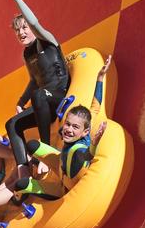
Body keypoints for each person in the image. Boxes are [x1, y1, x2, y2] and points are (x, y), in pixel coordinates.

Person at [14, 56, 111, 199]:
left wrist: (94, 145)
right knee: (32, 145)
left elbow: (87, 155)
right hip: (60, 162)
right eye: (68, 124)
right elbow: (95, 106)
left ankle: (21, 195)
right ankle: (37, 163)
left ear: (85, 132)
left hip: (65, 185)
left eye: (75, 127)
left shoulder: (77, 151)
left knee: (22, 185)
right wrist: (100, 77)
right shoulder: (85, 122)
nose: (69, 129)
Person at [5, 0, 70, 180]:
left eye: (24, 28)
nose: (22, 32)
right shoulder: (27, 54)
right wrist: (20, 101)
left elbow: (34, 22)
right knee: (12, 124)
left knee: (40, 94)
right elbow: (34, 79)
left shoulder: (46, 40)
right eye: (18, 31)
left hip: (58, 94)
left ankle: (45, 153)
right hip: (42, 102)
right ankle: (23, 168)